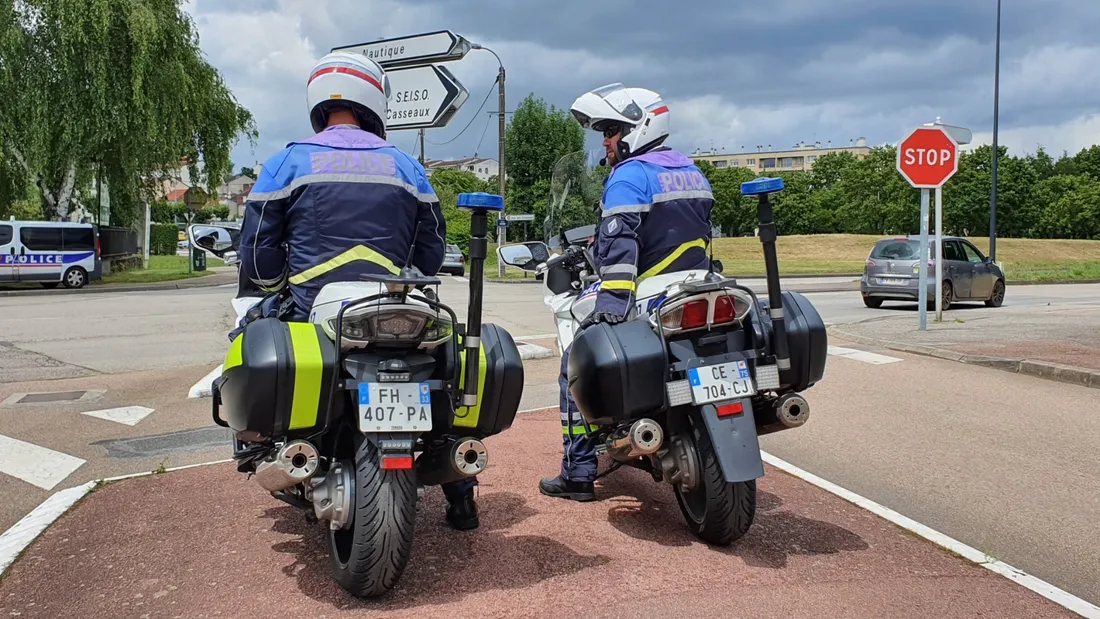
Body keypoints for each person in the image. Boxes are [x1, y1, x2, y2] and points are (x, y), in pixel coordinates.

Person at [234, 50, 480, 530]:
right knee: (445, 376)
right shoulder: (407, 166)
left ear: (319, 102)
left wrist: (276, 288)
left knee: (255, 342)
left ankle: (265, 446)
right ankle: (461, 495)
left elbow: (258, 251)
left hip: (314, 308)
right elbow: (431, 248)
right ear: (375, 102)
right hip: (395, 304)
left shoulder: (287, 161)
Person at [538, 84, 716, 501]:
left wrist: (611, 306)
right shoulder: (690, 170)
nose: (606, 141)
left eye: (611, 131)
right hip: (696, 284)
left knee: (574, 367)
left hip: (649, 293)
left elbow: (621, 249)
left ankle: (579, 473)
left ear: (639, 127)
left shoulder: (629, 176)